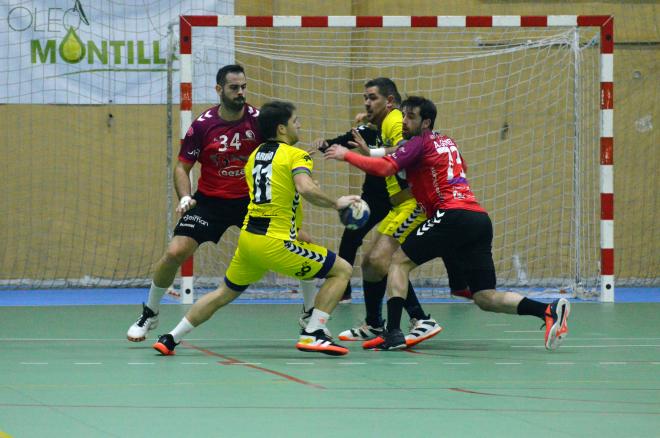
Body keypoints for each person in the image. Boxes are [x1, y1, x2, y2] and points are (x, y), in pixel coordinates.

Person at [324, 96, 570, 351]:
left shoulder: (420, 142)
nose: (405, 121)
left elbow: (388, 167)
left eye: (411, 117)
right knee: (485, 297)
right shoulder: (446, 142)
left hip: (451, 215)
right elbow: (412, 155)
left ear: (426, 122)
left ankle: (395, 333)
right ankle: (547, 310)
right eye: (404, 115)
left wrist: (347, 156)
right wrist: (375, 153)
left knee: (397, 262)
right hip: (478, 219)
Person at [126, 65, 317, 342]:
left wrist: (299, 160)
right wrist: (185, 197)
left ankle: (309, 313)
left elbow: (281, 147)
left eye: (243, 87)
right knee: (175, 251)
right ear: (219, 90)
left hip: (252, 203)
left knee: (304, 243)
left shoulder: (258, 121)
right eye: (233, 88)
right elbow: (182, 167)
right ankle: (150, 312)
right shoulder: (203, 126)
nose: (240, 93)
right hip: (210, 202)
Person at [153, 100, 358, 356]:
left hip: (250, 241)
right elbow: (305, 189)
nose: (300, 125)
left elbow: (278, 187)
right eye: (296, 121)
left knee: (223, 293)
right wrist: (336, 202)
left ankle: (171, 337)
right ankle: (313, 332)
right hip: (276, 242)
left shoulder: (254, 156)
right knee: (342, 270)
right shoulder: (297, 155)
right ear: (282, 129)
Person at [319, 78, 441, 347]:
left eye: (372, 97)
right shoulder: (384, 123)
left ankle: (420, 320)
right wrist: (367, 146)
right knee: (373, 264)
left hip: (414, 204)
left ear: (389, 102)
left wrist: (361, 153)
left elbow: (405, 149)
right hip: (400, 205)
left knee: (383, 261)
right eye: (365, 97)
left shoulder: (395, 121)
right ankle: (375, 322)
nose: (366, 102)